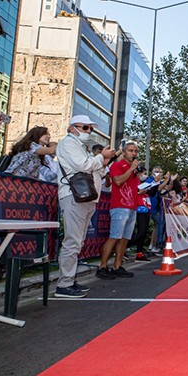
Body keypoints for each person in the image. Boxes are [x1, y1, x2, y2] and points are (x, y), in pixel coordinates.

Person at [55, 115, 116, 297]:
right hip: (74, 196)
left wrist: (104, 161)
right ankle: (64, 284)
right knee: (72, 241)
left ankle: (69, 280)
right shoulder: (68, 144)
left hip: (86, 197)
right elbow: (83, 165)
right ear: (73, 128)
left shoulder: (81, 146)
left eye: (90, 128)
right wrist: (100, 157)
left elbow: (95, 169)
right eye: (85, 128)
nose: (89, 132)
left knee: (78, 241)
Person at [96, 142, 141, 280]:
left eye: (136, 151)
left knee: (124, 239)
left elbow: (134, 186)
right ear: (124, 152)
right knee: (114, 236)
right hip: (119, 206)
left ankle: (117, 266)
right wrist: (131, 169)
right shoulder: (117, 165)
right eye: (131, 151)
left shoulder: (133, 169)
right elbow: (118, 181)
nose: (134, 153)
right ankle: (102, 266)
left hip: (132, 206)